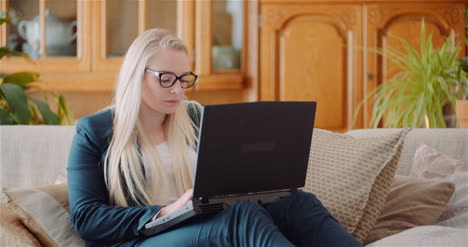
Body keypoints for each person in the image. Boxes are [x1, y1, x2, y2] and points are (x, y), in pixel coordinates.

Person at [67, 28, 363, 247]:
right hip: (140, 239)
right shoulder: (94, 131)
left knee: (297, 203)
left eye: (184, 79)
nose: (177, 90)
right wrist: (166, 212)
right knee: (241, 219)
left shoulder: (197, 116)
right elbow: (87, 218)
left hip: (199, 220)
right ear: (136, 75)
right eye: (166, 78)